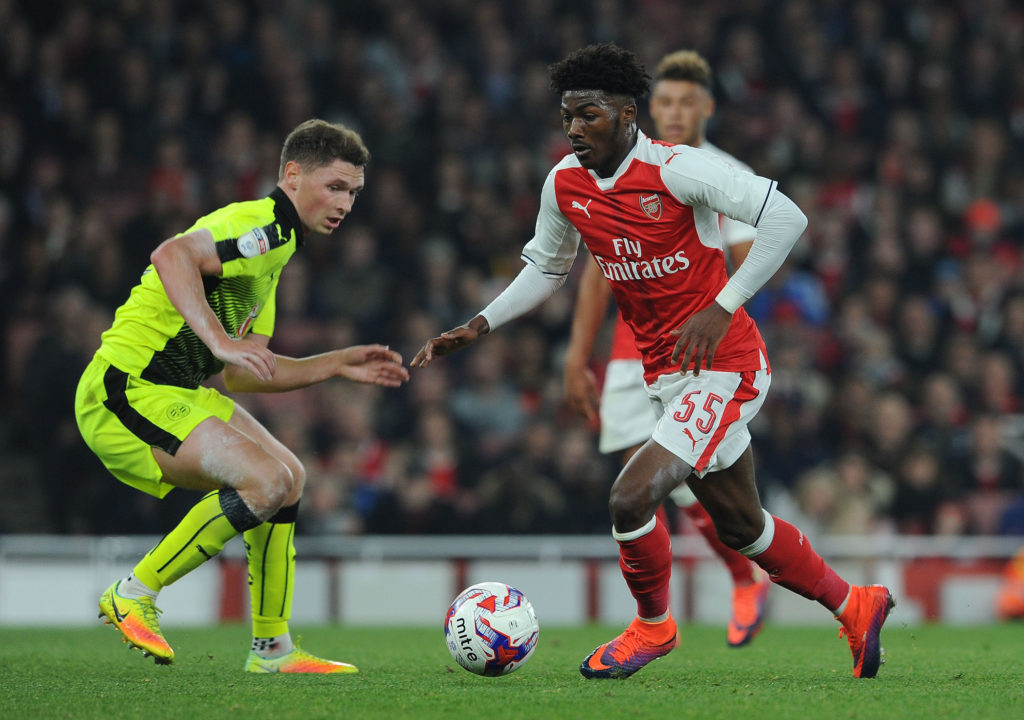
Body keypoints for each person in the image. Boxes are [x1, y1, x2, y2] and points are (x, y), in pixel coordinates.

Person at [412, 44, 894, 680]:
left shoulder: (679, 169)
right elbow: (546, 268)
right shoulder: (565, 184)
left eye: (589, 115)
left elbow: (786, 218)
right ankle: (854, 605)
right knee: (743, 525)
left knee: (631, 495)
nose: (575, 130)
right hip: (666, 374)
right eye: (567, 118)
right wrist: (479, 324)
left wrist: (722, 305)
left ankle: (653, 627)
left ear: (627, 112)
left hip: (728, 365)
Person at [75, 119, 410, 673]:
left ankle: (272, 650)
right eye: (334, 187)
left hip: (175, 389)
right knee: (266, 481)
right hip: (126, 387)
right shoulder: (260, 226)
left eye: (354, 192)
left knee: (290, 477)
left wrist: (334, 364)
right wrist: (216, 340)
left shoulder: (276, 255)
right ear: (293, 175)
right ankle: (134, 592)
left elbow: (246, 374)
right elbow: (170, 255)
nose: (345, 203)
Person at [562, 49, 771, 649]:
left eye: (686, 102)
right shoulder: (613, 170)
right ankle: (661, 614)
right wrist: (578, 357)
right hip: (633, 352)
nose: (674, 112)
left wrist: (721, 325)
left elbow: (745, 260)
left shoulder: (714, 171)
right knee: (644, 478)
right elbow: (600, 268)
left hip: (697, 349)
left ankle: (730, 582)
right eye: (666, 102)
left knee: (670, 481)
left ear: (706, 107)